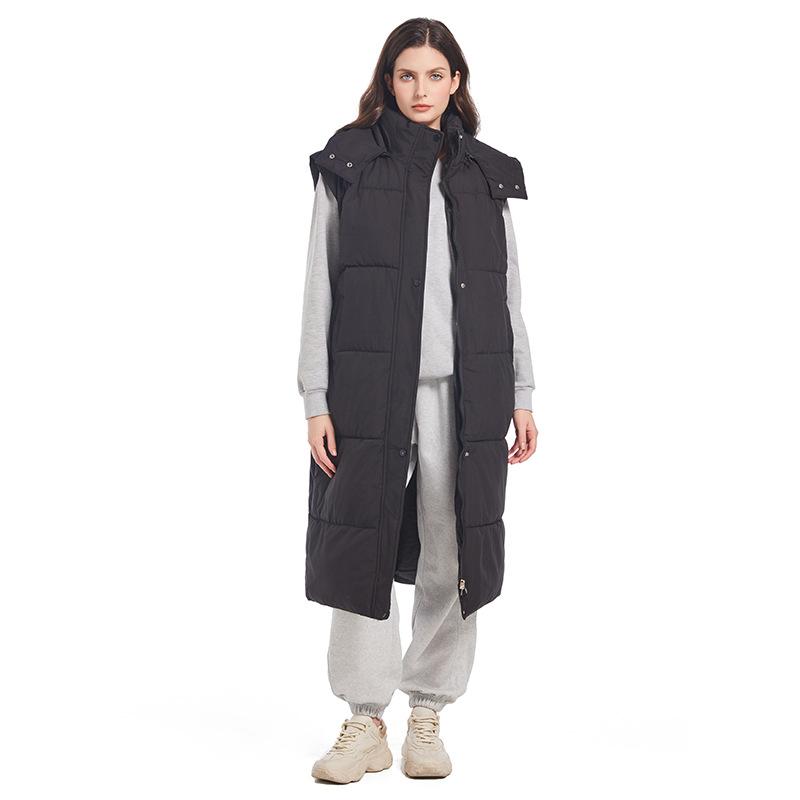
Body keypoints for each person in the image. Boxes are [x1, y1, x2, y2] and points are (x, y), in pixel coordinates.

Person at [297, 18, 539, 783]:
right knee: (359, 545)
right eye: (408, 75)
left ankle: (428, 709)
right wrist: (315, 396)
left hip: (466, 392)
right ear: (388, 80)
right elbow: (319, 280)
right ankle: (365, 720)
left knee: (454, 548)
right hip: (368, 389)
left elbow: (508, 294)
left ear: (455, 81)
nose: (421, 90)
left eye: (436, 75)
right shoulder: (350, 163)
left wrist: (523, 391)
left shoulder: (484, 175)